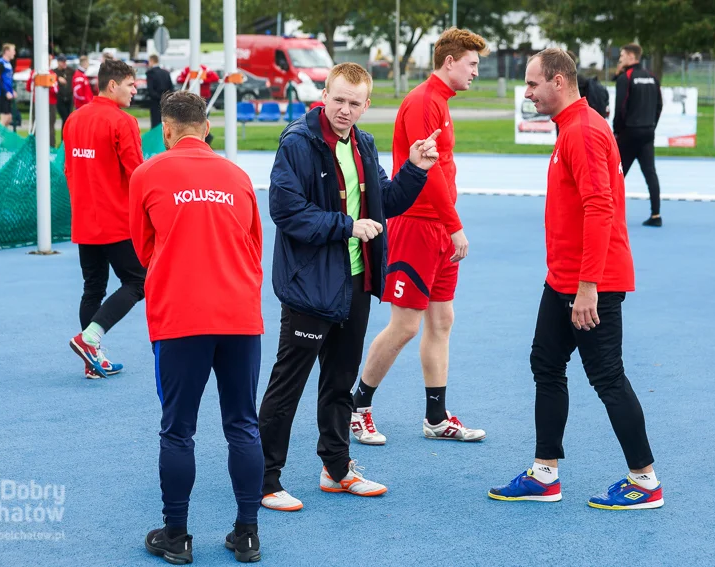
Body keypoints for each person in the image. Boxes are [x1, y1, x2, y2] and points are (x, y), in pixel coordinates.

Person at [258, 62, 440, 512]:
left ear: (366, 105)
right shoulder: (298, 142)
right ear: (324, 93)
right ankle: (263, 479)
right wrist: (346, 227)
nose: (344, 109)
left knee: (340, 382)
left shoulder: (364, 143)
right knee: (288, 384)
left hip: (356, 284)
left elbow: (385, 203)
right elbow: (284, 209)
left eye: (354, 103)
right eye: (337, 99)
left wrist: (415, 170)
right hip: (310, 286)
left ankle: (336, 468)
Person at [489, 48, 662, 510]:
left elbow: (599, 207)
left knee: (607, 377)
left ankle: (645, 482)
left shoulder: (583, 131)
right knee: (545, 364)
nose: (527, 93)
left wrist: (588, 286)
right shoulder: (571, 127)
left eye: (532, 84)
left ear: (559, 82)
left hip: (592, 284)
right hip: (563, 280)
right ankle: (545, 473)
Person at [131, 91, 265, 565]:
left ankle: (177, 535)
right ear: (206, 128)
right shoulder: (238, 176)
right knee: (243, 427)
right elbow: (254, 247)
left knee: (177, 431)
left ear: (166, 130)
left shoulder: (147, 174)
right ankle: (247, 533)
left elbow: (143, 249)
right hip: (240, 316)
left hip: (181, 318)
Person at [350, 28, 488, 447]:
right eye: (472, 64)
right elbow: (423, 176)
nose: (476, 72)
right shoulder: (423, 103)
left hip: (439, 228)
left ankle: (435, 416)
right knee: (406, 324)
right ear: (450, 62)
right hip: (417, 227)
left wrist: (450, 225)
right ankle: (358, 407)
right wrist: (455, 225)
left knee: (442, 319)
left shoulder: (441, 103)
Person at [64, 60, 146, 379]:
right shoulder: (122, 121)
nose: (135, 90)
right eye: (130, 84)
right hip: (116, 220)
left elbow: (69, 170)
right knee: (139, 281)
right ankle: (90, 338)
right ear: (112, 85)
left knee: (93, 288)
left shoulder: (72, 120)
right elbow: (136, 173)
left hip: (85, 219)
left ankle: (92, 363)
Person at [614, 43, 664, 227]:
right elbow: (659, 105)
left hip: (628, 133)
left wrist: (617, 130)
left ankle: (609, 215)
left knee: (615, 174)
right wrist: (651, 126)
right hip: (647, 132)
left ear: (630, 56)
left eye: (621, 55)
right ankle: (656, 214)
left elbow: (621, 107)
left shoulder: (625, 78)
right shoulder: (652, 77)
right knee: (650, 173)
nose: (620, 59)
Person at [26, 54, 60, 147]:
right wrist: (32, 79)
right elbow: (29, 88)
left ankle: (51, 147)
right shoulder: (35, 72)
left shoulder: (52, 74)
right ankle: (34, 147)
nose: (49, 62)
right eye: (48, 60)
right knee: (35, 126)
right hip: (37, 103)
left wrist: (48, 83)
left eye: (50, 60)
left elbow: (55, 90)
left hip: (50, 104)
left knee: (50, 126)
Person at [146, 55, 173, 128]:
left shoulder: (150, 73)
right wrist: (166, 98)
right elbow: (171, 88)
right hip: (166, 102)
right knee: (166, 123)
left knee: (155, 123)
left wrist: (158, 97)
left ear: (151, 61)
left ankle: (156, 138)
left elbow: (150, 90)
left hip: (155, 102)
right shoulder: (166, 73)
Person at [0, 43, 16, 127]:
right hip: (2, 93)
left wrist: (12, 90)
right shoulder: (1, 63)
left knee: (9, 118)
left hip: (8, 93)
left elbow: (8, 79)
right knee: (4, 117)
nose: (14, 53)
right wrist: (5, 92)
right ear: (7, 51)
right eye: (13, 50)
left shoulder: (8, 64)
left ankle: (2, 137)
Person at [54, 55, 74, 129]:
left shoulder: (70, 70)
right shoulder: (55, 72)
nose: (64, 63)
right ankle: (63, 138)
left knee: (69, 118)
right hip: (60, 97)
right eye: (62, 62)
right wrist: (57, 78)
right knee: (65, 117)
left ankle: (66, 137)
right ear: (58, 62)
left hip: (69, 97)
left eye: (65, 61)